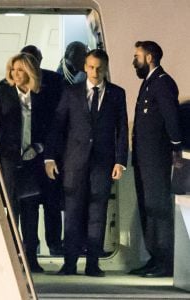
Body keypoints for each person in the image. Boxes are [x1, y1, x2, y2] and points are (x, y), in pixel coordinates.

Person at [45, 49, 128, 276]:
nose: (95, 72)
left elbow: (122, 128)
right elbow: (58, 125)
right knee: (72, 212)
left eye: (99, 67)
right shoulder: (71, 92)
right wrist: (50, 157)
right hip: (74, 162)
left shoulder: (117, 94)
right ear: (85, 67)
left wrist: (120, 161)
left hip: (103, 162)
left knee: (97, 213)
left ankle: (93, 264)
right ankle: (69, 263)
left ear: (106, 67)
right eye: (91, 67)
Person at [0, 53, 45, 272]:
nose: (15, 74)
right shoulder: (4, 90)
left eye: (20, 70)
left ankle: (31, 257)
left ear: (29, 71)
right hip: (9, 157)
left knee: (31, 208)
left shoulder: (40, 94)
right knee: (11, 208)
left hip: (32, 159)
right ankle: (12, 257)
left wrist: (39, 148)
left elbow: (48, 126)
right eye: (12, 69)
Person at [130, 41, 182, 278]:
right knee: (147, 208)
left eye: (137, 56)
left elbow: (171, 117)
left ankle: (166, 260)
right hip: (144, 158)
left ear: (149, 57)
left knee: (158, 208)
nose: (134, 61)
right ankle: (155, 257)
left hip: (157, 158)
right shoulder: (149, 83)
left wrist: (175, 147)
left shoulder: (162, 83)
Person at [20, 45, 64, 255]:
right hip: (26, 153)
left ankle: (54, 244)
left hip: (50, 150)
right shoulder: (14, 84)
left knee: (51, 201)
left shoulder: (54, 81)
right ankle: (31, 246)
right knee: (29, 203)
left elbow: (61, 117)